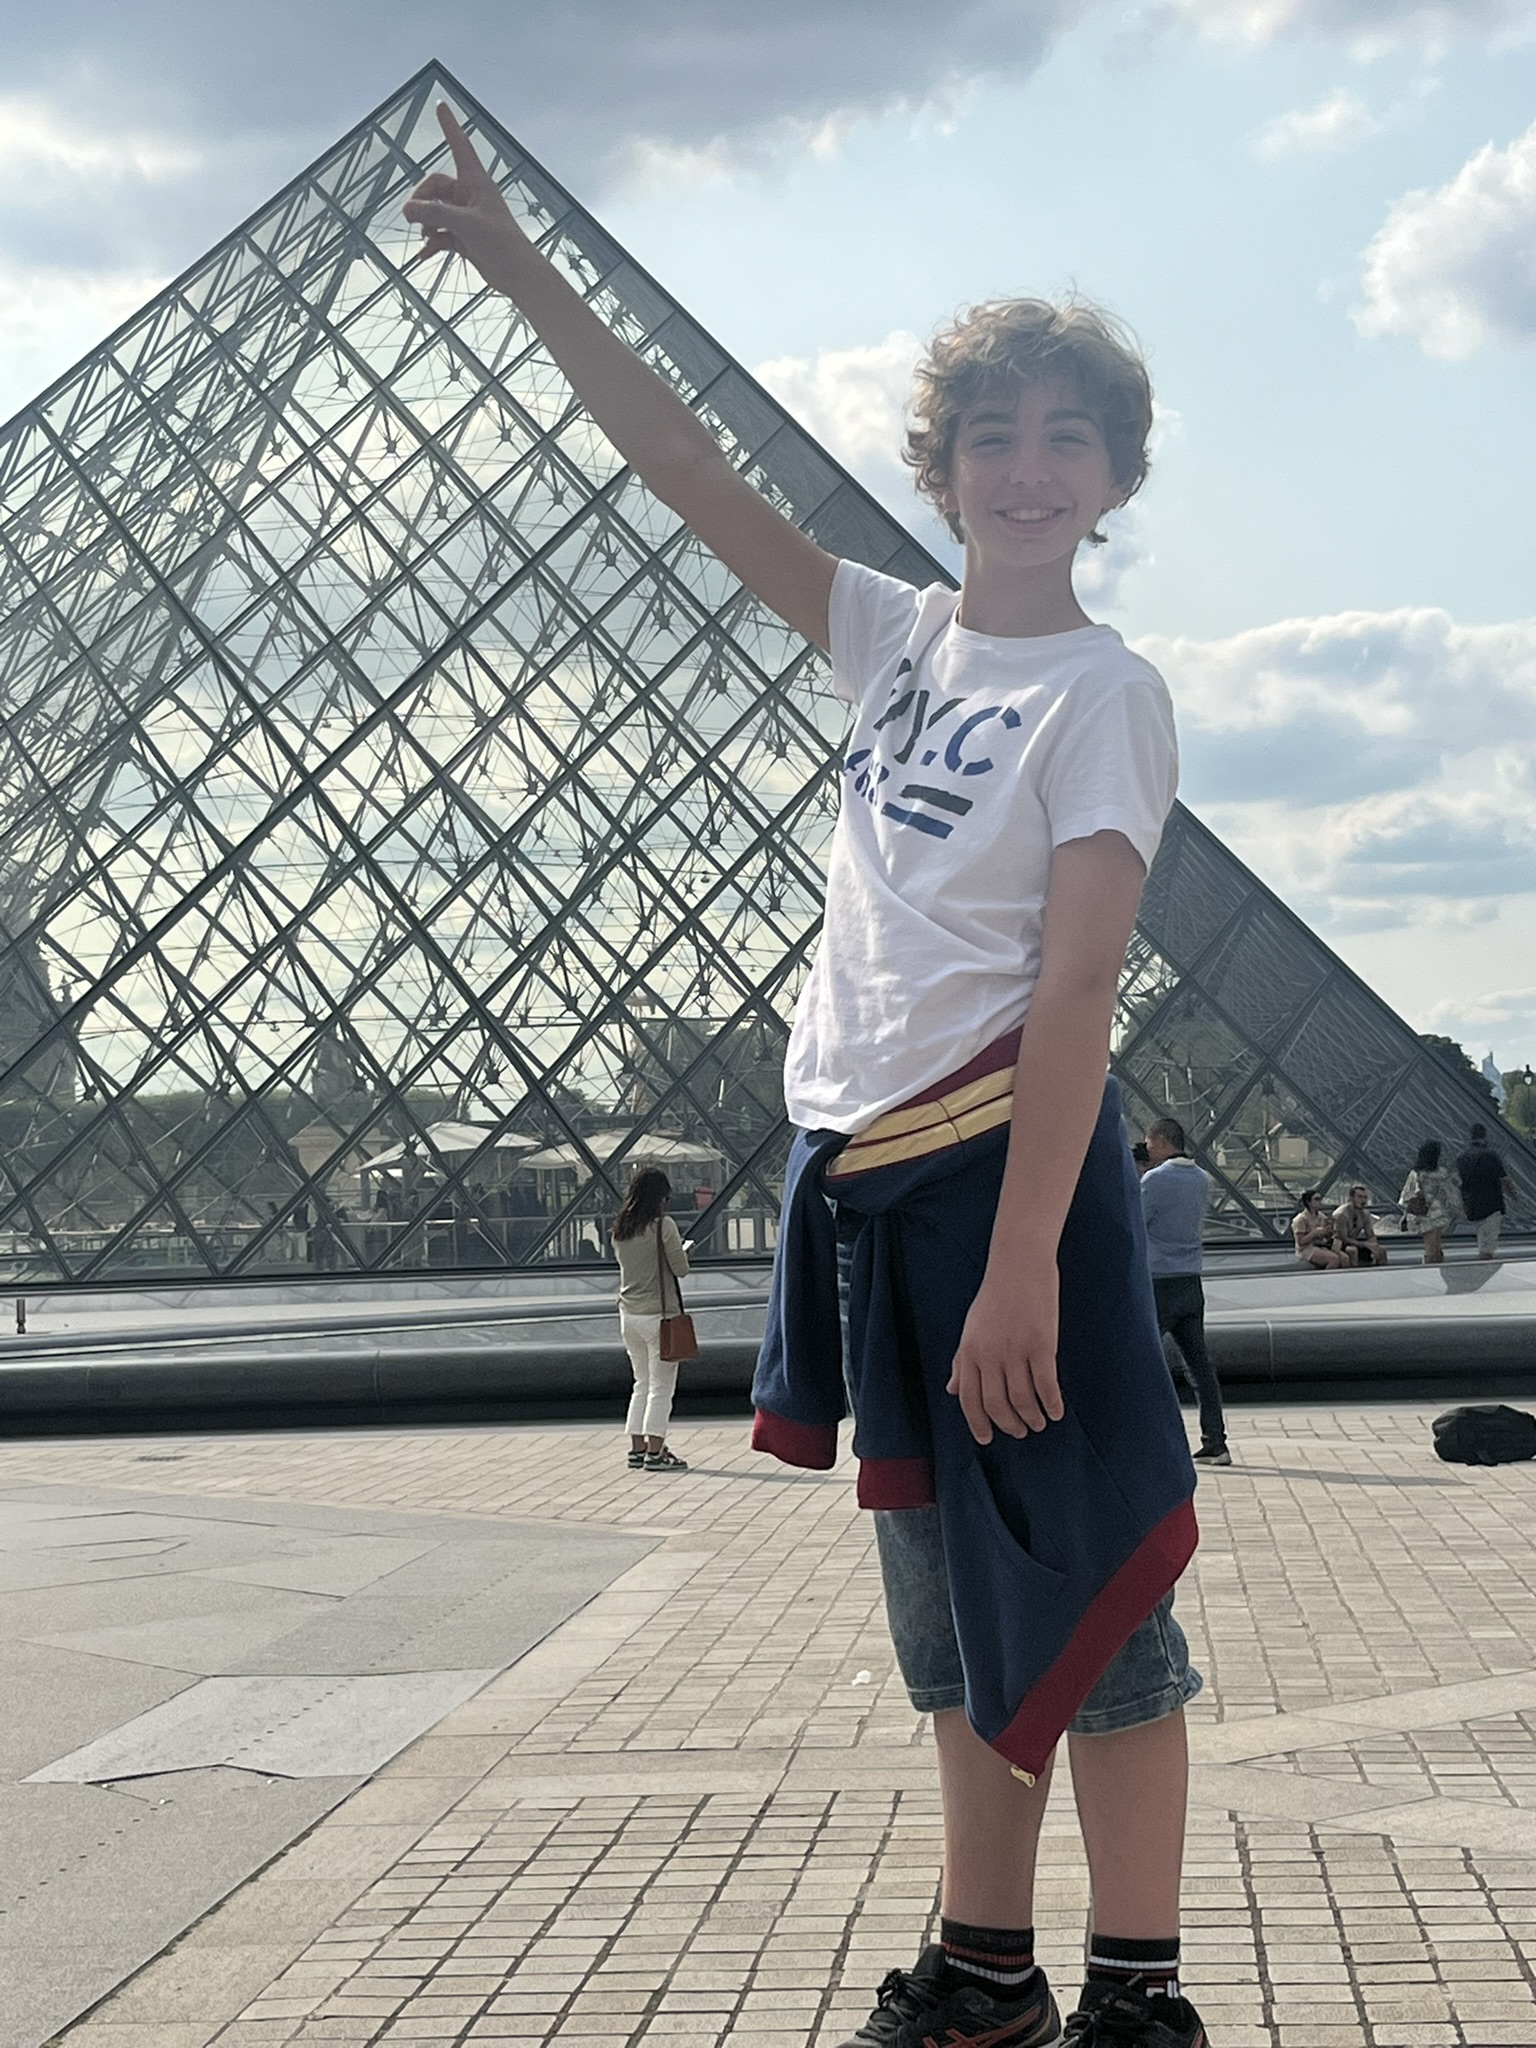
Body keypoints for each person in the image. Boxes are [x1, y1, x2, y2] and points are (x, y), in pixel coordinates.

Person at [407, 112, 1206, 2048]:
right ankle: (988, 1967)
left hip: (1001, 1183)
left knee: (1094, 1598)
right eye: (991, 436)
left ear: (1116, 475)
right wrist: (525, 273)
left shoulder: (1105, 692)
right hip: (866, 1181)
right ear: (939, 469)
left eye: (1066, 437)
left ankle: (1141, 1994)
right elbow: (685, 468)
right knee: (945, 1624)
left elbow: (1079, 988)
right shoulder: (895, 636)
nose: (1027, 468)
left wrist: (1023, 1268)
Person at [1140, 1118, 1228, 1466]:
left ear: (1162, 1141)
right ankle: (1215, 1442)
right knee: (1200, 1367)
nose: (1147, 1149)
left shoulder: (1155, 1180)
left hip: (1158, 1282)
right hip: (1191, 1281)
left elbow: (1134, 1222)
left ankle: (1147, 1444)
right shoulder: (1201, 1179)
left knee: (1141, 1360)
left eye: (1149, 1143)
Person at [610, 1168, 691, 1472]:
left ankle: (637, 1449)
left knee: (641, 1384)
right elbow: (680, 1269)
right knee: (661, 1387)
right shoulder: (663, 1226)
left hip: (628, 1314)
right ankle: (656, 1453)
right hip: (658, 1316)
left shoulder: (620, 1229)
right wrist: (685, 1251)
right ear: (660, 1198)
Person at [1456, 1122, 1516, 1261]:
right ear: (1485, 1136)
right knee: (1487, 1244)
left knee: (1482, 1238)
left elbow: (1461, 1182)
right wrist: (1513, 1196)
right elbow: (1504, 1179)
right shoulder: (1490, 1155)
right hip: (1491, 1204)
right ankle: (1483, 1269)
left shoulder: (1462, 1157)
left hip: (1471, 1204)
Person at [1399, 1140, 1459, 1266]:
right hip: (1440, 1214)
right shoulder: (1442, 1173)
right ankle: (1433, 1268)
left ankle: (1429, 1269)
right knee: (1435, 1248)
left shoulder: (1416, 1174)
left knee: (1432, 1248)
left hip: (1424, 1214)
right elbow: (1450, 1194)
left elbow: (1406, 1196)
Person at [1332, 1185, 1388, 1267]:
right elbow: (1343, 1238)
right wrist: (1364, 1244)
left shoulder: (1365, 1214)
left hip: (1355, 1242)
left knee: (1381, 1250)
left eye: (1365, 1198)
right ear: (1351, 1198)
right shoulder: (1341, 1214)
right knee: (1352, 1250)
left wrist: (1374, 1245)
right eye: (1360, 1197)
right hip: (1340, 1245)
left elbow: (1370, 1234)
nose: (1363, 1200)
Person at [1292, 1190, 1346, 1269]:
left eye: (1320, 1199)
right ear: (1308, 1202)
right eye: (1316, 1199)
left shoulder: (1321, 1216)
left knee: (1344, 1258)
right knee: (1334, 1259)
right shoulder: (1301, 1219)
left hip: (1321, 1245)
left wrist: (1329, 1231)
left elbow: (1327, 1234)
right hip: (1306, 1249)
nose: (1320, 1202)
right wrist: (1315, 1233)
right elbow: (1301, 1242)